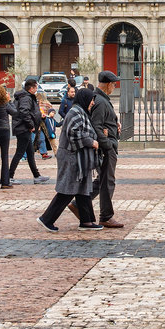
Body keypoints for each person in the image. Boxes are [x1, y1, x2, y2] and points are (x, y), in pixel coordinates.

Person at [38, 86, 101, 231]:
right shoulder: (75, 112)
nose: (92, 103)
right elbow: (74, 133)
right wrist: (91, 142)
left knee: (81, 188)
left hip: (78, 157)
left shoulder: (81, 112)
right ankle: (46, 219)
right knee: (68, 189)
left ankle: (86, 221)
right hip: (71, 156)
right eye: (91, 100)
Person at [89, 71, 125, 227]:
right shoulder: (101, 101)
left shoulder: (100, 99)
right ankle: (106, 216)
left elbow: (102, 122)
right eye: (114, 84)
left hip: (107, 143)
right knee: (108, 182)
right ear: (109, 84)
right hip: (106, 147)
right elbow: (96, 126)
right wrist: (108, 144)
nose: (114, 87)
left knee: (102, 180)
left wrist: (113, 126)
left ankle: (79, 203)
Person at [8, 78, 49, 184]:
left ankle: (36, 176)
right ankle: (9, 176)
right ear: (31, 88)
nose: (36, 89)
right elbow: (24, 112)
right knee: (19, 153)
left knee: (30, 153)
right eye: (36, 87)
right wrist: (30, 125)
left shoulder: (25, 96)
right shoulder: (26, 98)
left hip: (24, 128)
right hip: (23, 128)